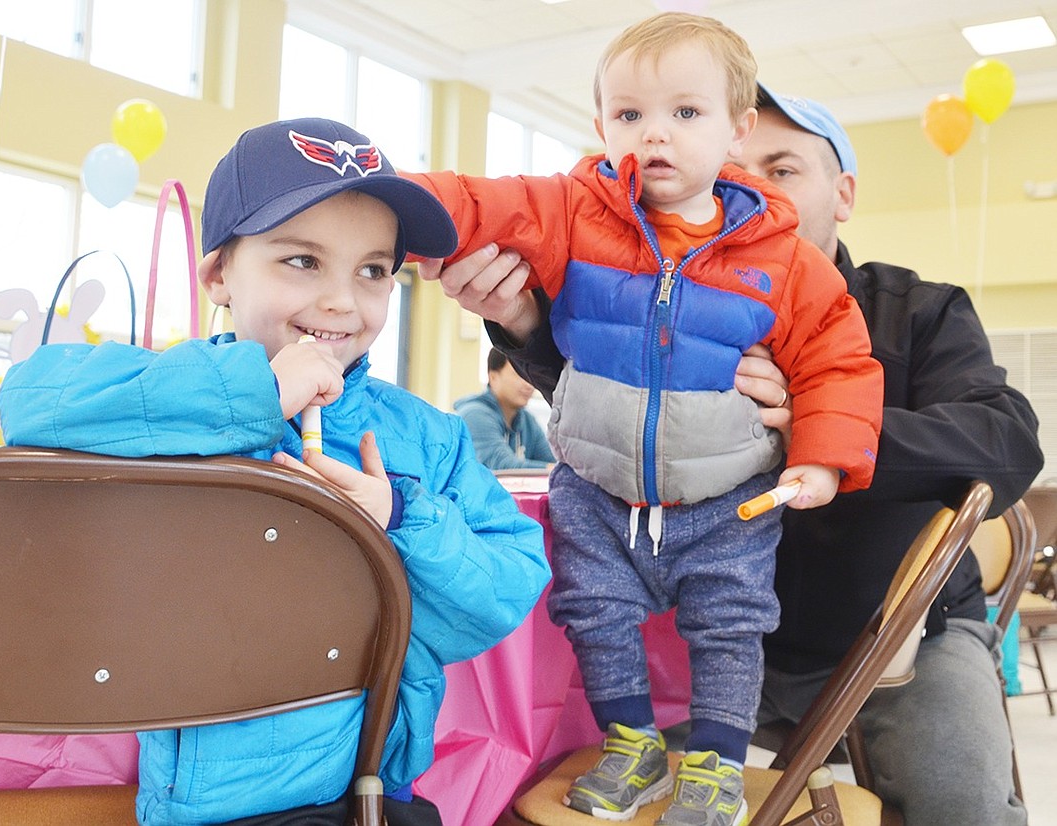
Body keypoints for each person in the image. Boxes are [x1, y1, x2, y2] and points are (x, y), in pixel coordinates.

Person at [421, 85, 1044, 825]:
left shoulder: (920, 309)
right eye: (732, 163)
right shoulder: (665, 288)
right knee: (577, 769)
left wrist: (813, 426)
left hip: (898, 641)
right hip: (704, 640)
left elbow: (1006, 439)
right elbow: (611, 417)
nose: (741, 182)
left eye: (782, 169)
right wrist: (526, 322)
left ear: (843, 194)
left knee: (960, 803)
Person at [0, 117, 552, 826]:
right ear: (220, 273)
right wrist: (254, 393)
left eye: (374, 270)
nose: (343, 301)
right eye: (302, 261)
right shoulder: (171, 391)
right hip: (208, 801)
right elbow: (31, 397)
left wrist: (399, 520)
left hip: (370, 790)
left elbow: (504, 591)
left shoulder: (427, 437)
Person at [407, 13, 884, 825]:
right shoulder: (577, 213)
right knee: (591, 611)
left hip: (728, 498)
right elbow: (488, 201)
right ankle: (633, 744)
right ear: (601, 126)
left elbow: (838, 359)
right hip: (597, 488)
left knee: (729, 626)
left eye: (684, 114)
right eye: (630, 115)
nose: (654, 134)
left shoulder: (784, 257)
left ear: (737, 130)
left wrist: (824, 458)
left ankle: (717, 762)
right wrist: (396, 206)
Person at [454, 346, 554, 470]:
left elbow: (551, 461)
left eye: (530, 375)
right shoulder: (474, 415)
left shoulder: (527, 421)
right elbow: (503, 467)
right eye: (520, 374)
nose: (529, 384)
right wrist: (554, 470)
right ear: (493, 378)